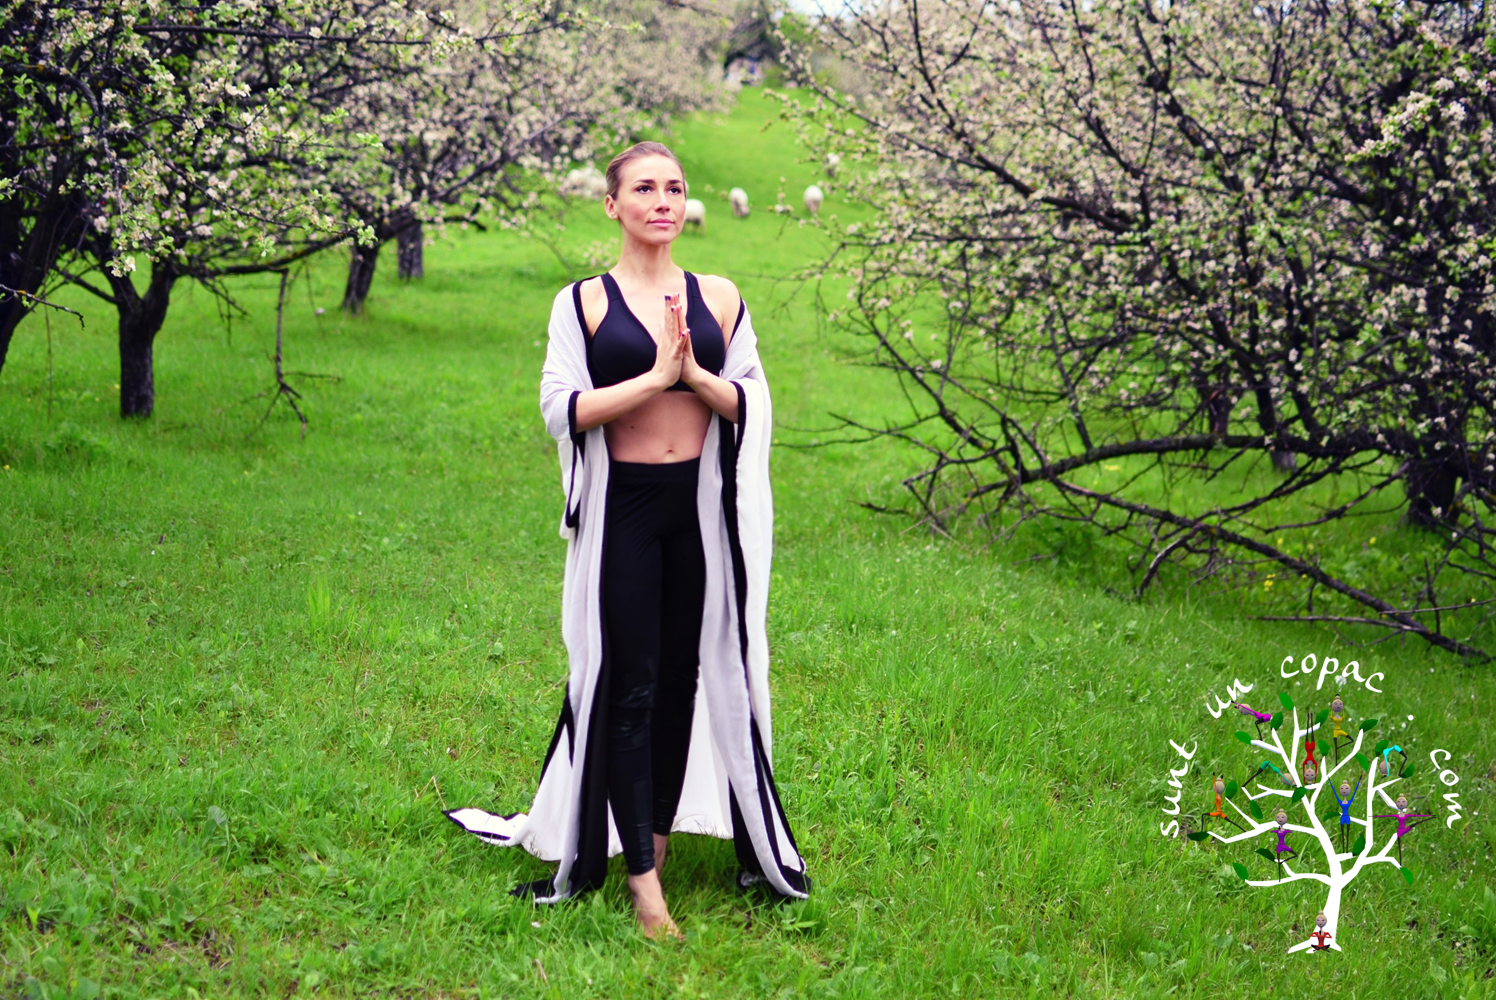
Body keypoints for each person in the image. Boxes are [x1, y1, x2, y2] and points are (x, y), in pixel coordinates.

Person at [445, 142, 810, 938]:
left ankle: (656, 843)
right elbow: (559, 408)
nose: (663, 201)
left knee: (683, 678)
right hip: (626, 511)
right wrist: (650, 380)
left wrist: (695, 376)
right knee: (628, 681)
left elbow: (754, 402)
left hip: (702, 515)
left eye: (675, 187)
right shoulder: (582, 303)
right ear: (612, 205)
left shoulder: (720, 297)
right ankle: (642, 886)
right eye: (644, 188)